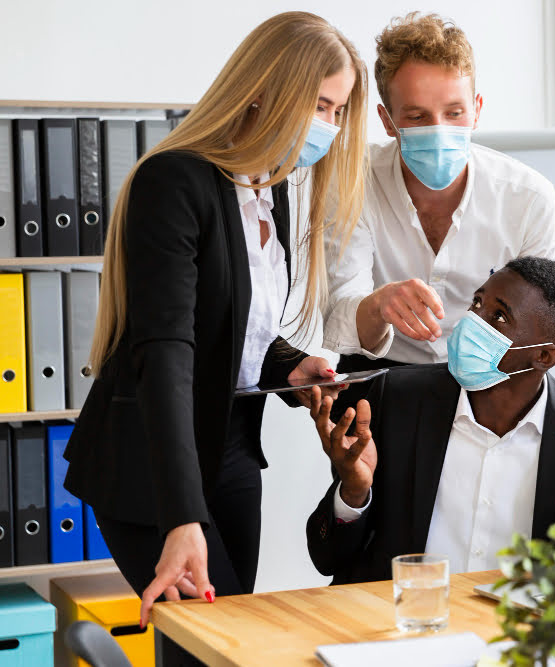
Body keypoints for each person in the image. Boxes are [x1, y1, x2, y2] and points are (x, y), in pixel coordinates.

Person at [62, 11, 369, 644]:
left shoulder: (270, 190)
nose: (329, 128)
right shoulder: (174, 181)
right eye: (320, 105)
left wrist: (288, 366)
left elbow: (233, 324)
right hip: (154, 459)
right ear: (265, 88)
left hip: (230, 451)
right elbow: (166, 351)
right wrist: (181, 518)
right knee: (219, 647)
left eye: (337, 111)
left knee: (228, 643)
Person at [306, 257, 555, 583]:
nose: (473, 320)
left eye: (499, 316)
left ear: (544, 356)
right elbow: (328, 558)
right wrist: (353, 494)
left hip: (518, 628)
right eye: (477, 302)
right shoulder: (396, 398)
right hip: (403, 620)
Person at [322, 12, 555, 403]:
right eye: (417, 117)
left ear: (477, 109)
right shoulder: (350, 183)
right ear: (387, 120)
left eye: (454, 113)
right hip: (378, 378)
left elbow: (531, 326)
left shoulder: (528, 198)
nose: (439, 131)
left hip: (491, 377)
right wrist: (380, 305)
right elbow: (341, 320)